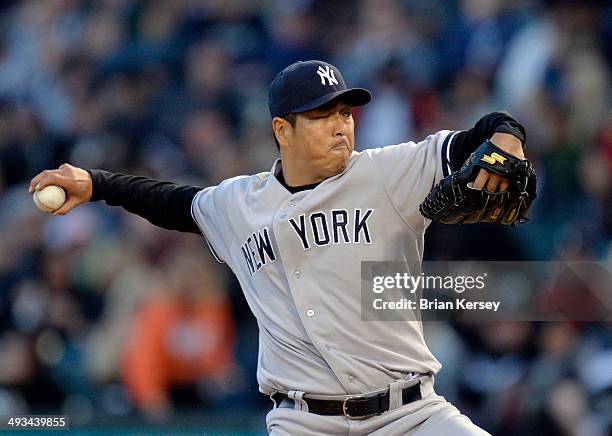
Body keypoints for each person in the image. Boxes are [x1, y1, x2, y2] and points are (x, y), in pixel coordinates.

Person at [29, 60, 527, 435]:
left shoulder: (387, 172)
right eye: (321, 115)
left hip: (411, 414)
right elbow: (172, 203)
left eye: (345, 111)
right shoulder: (237, 204)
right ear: (281, 130)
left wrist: (508, 138)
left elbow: (481, 135)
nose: (341, 125)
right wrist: (95, 183)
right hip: (304, 423)